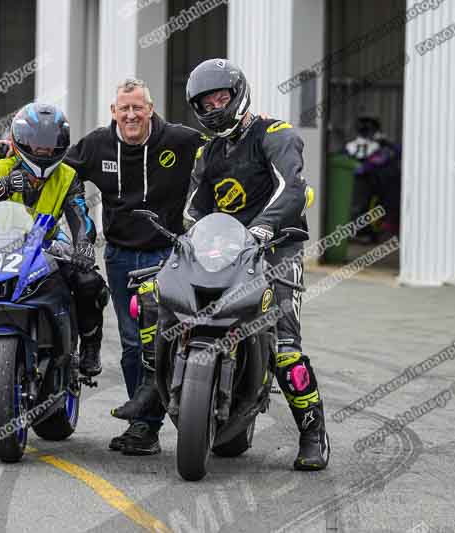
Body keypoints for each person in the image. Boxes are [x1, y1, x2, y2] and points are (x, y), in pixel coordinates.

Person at [131, 59, 329, 470]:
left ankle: (312, 434)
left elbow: (291, 190)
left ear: (238, 95)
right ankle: (155, 382)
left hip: (275, 248)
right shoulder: (209, 151)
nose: (215, 106)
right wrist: (188, 238)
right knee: (155, 294)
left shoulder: (275, 135)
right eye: (206, 102)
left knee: (287, 348)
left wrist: (260, 230)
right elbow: (194, 209)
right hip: (223, 251)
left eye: (222, 97)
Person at [0, 102, 108, 444]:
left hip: (47, 246)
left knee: (90, 282)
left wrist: (85, 246)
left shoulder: (67, 176)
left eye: (50, 143)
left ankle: (89, 348)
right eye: (36, 142)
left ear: (61, 144)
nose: (43, 150)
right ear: (20, 140)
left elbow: (79, 216)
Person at [66, 78, 207, 455]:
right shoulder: (96, 144)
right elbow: (61, 172)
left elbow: (224, 147)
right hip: (120, 256)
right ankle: (143, 428)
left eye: (138, 108)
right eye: (123, 108)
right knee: (132, 343)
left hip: (169, 255)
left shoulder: (180, 139)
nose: (131, 115)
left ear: (150, 109)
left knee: (167, 337)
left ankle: (192, 413)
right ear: (113, 112)